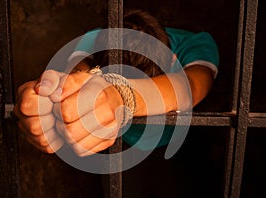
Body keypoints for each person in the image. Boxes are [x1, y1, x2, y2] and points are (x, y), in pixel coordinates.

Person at [13, 10, 219, 156]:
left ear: (174, 60)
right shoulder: (94, 41)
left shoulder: (195, 45)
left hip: (182, 141)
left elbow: (189, 86)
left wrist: (120, 95)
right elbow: (79, 74)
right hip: (121, 143)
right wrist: (53, 96)